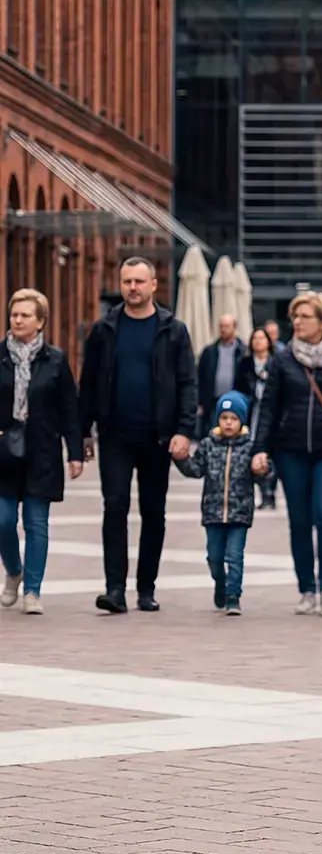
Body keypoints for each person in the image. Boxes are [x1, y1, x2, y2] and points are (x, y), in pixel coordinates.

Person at [79, 256, 197, 615]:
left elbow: (187, 383)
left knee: (153, 512)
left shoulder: (172, 329)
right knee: (114, 506)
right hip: (114, 433)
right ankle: (115, 589)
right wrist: (83, 431)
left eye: (139, 282)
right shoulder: (104, 329)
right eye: (127, 281)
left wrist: (184, 430)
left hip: (157, 437)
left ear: (152, 285)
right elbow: (88, 382)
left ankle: (147, 588)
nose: (132, 287)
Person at [253, 291, 322, 617]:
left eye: (304, 316)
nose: (297, 322)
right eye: (294, 317)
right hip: (290, 451)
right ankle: (306, 590)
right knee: (299, 522)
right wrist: (260, 450)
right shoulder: (282, 359)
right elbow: (269, 407)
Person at [0, 289, 83, 616]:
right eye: (14, 314)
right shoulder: (0, 356)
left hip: (42, 451)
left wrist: (75, 451)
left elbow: (69, 409)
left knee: (37, 524)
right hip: (4, 451)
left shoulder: (56, 360)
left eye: (24, 315)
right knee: (3, 520)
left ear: (40, 321)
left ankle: (32, 591)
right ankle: (14, 571)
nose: (17, 320)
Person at [175, 391, 264, 616]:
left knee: (234, 556)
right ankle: (220, 584)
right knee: (214, 557)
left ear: (241, 420)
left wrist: (263, 469)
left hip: (239, 513)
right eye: (224, 418)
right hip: (213, 513)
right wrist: (180, 459)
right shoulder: (208, 444)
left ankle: (233, 596)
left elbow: (264, 477)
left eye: (233, 419)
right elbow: (195, 470)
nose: (228, 423)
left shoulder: (249, 446)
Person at [236, 327, 277, 508]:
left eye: (262, 338)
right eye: (255, 339)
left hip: (270, 412)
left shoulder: (276, 362)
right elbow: (237, 387)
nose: (259, 342)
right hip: (251, 412)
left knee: (269, 452)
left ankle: (270, 492)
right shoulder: (245, 363)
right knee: (250, 449)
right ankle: (258, 491)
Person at [197, 314, 246, 438]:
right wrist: (199, 401)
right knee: (210, 434)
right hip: (211, 401)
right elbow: (199, 376)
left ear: (234, 328)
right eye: (221, 326)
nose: (223, 329)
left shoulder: (243, 351)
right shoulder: (209, 351)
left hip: (235, 400)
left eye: (227, 326)